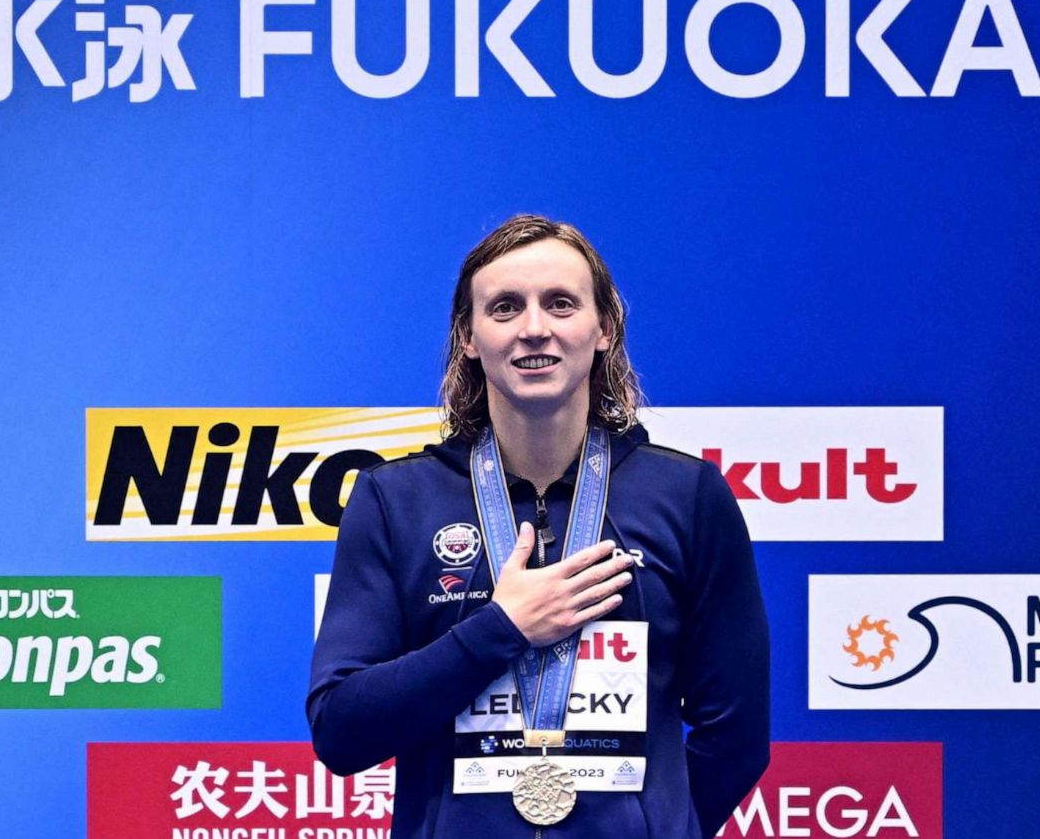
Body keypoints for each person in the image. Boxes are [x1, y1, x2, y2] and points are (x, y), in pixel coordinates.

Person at [308, 214, 770, 838]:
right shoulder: (395, 501)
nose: (534, 329)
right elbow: (342, 730)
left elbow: (736, 735)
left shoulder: (687, 497)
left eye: (560, 303)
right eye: (504, 308)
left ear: (603, 328)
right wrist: (501, 630)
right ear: (468, 336)